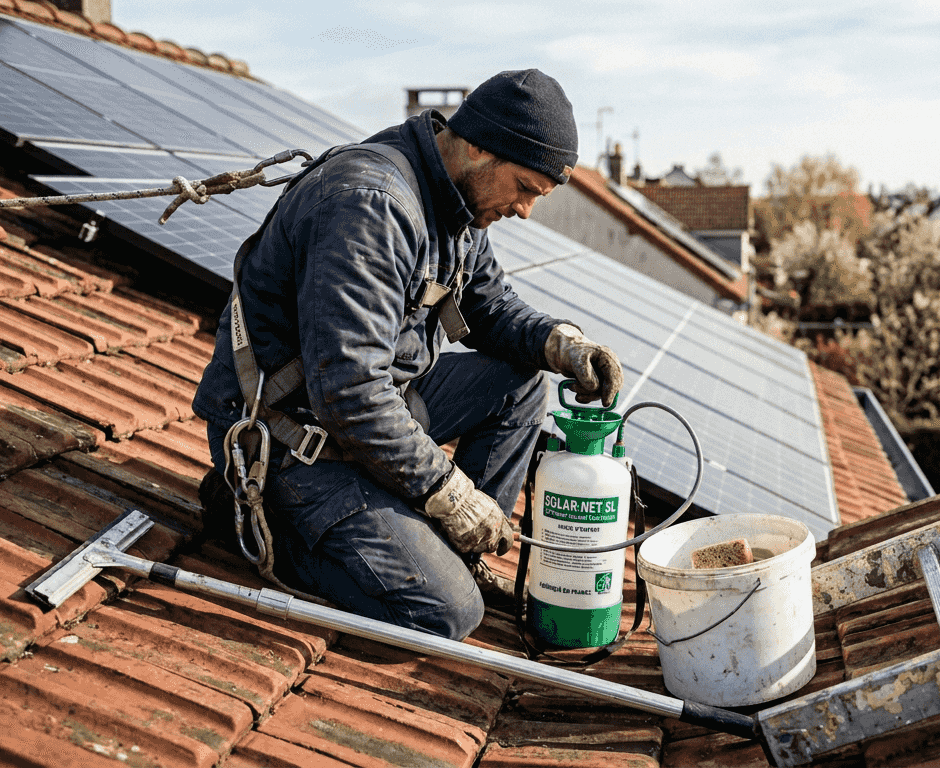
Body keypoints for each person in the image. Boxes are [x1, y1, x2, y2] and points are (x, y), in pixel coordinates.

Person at [191, 69, 623, 641]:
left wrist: (562, 344)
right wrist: (449, 493)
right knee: (444, 614)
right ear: (477, 147)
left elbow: (488, 306)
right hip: (292, 435)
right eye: (522, 187)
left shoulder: (455, 198)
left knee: (522, 382)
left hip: (365, 411)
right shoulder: (371, 206)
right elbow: (350, 393)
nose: (524, 210)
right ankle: (254, 518)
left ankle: (453, 551)